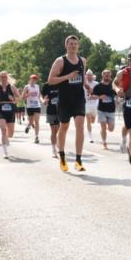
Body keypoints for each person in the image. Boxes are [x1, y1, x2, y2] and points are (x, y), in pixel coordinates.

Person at [46, 35, 88, 172]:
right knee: (63, 127)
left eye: (75, 44)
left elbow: (82, 79)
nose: (73, 46)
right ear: (66, 45)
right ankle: (62, 157)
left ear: (78, 46)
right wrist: (67, 77)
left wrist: (88, 86)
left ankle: (78, 160)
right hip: (64, 99)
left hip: (79, 99)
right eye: (71, 43)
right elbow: (51, 80)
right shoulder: (60, 61)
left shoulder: (82, 61)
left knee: (80, 126)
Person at [0, 71, 20, 160]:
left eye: (5, 77)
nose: (3, 78)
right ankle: (5, 152)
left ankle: (7, 138)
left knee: (10, 133)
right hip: (0, 109)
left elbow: (19, 98)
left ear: (7, 77)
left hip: (10, 110)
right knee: (3, 130)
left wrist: (13, 99)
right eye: (2, 77)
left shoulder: (12, 87)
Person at [91, 70, 117, 150]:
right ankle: (104, 142)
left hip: (111, 109)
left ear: (110, 76)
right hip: (101, 109)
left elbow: (118, 95)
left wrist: (118, 100)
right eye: (105, 74)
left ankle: (106, 130)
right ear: (102, 76)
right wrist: (99, 97)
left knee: (111, 129)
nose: (107, 76)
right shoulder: (98, 86)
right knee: (103, 127)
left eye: (108, 74)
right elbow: (92, 96)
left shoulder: (113, 86)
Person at [22, 74, 43, 144]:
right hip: (30, 106)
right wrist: (28, 95)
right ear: (30, 79)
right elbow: (23, 97)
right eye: (33, 79)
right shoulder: (26, 87)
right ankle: (28, 126)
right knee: (31, 121)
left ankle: (36, 137)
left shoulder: (37, 86)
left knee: (37, 121)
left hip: (37, 105)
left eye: (35, 79)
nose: (34, 80)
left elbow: (39, 96)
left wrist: (42, 100)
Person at [43, 81, 61, 158]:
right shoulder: (46, 85)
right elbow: (42, 96)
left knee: (60, 130)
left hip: (61, 110)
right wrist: (44, 100)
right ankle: (54, 149)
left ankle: (59, 146)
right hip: (51, 110)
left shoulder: (61, 82)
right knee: (54, 130)